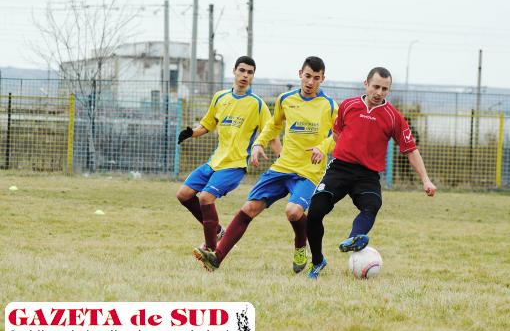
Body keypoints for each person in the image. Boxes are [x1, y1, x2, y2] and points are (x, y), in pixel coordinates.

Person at [193, 56, 338, 274]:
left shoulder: (330, 106)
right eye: (307, 76)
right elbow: (273, 125)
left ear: (322, 79)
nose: (310, 82)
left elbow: (339, 135)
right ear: (300, 74)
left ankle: (301, 245)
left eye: (316, 78)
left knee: (292, 211)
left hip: (309, 172)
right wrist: (259, 143)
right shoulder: (285, 99)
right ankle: (216, 258)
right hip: (282, 167)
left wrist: (323, 147)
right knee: (249, 208)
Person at [306, 67, 437, 279]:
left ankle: (354, 238)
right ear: (366, 84)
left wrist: (426, 180)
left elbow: (411, 150)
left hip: (367, 175)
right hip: (340, 168)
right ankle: (318, 260)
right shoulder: (348, 105)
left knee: (372, 205)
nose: (379, 92)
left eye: (385, 89)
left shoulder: (393, 117)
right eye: (376, 86)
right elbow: (337, 134)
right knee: (314, 212)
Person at [176, 56, 281, 256]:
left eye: (250, 72)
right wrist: (191, 133)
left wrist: (281, 158)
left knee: (206, 198)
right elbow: (207, 125)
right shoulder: (220, 97)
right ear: (234, 71)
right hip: (214, 161)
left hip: (235, 164)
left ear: (253, 76)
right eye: (242, 70)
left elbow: (272, 135)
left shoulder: (257, 104)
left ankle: (210, 249)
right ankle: (216, 231)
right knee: (183, 195)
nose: (245, 75)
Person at [394, 116, 420, 184]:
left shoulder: (413, 130)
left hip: (409, 152)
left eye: (406, 121)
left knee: (407, 168)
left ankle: (411, 181)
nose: (405, 122)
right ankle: (403, 181)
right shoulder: (400, 129)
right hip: (401, 152)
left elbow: (417, 140)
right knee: (401, 168)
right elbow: (396, 140)